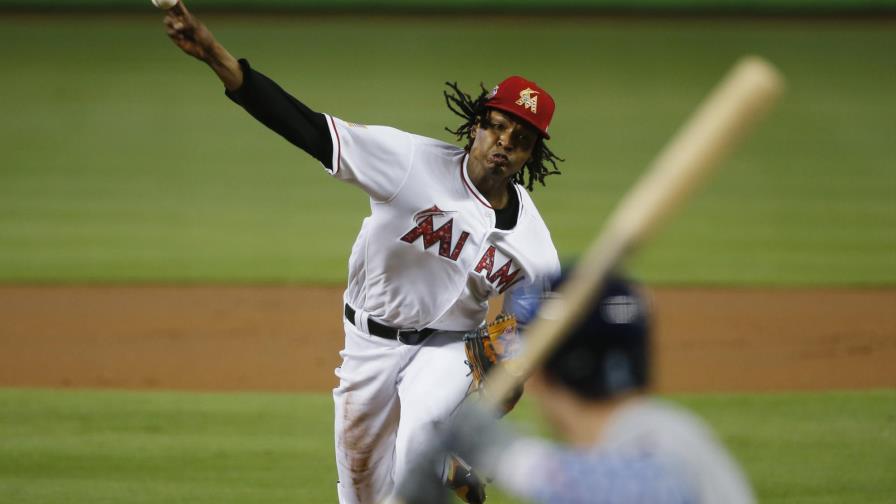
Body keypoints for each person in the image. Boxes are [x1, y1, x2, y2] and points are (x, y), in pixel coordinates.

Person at [161, 4, 563, 503]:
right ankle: (449, 452)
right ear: (476, 125)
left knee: (420, 437)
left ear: (531, 156)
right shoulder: (409, 163)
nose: (505, 143)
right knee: (361, 493)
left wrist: (513, 370)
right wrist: (215, 56)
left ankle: (447, 445)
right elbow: (306, 128)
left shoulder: (531, 240)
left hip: (449, 348)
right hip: (367, 345)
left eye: (521, 140)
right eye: (498, 127)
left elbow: (545, 317)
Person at [393, 275, 756, 504]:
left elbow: (651, 489)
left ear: (542, 375)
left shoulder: (660, 441)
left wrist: (511, 458)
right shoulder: (651, 437)